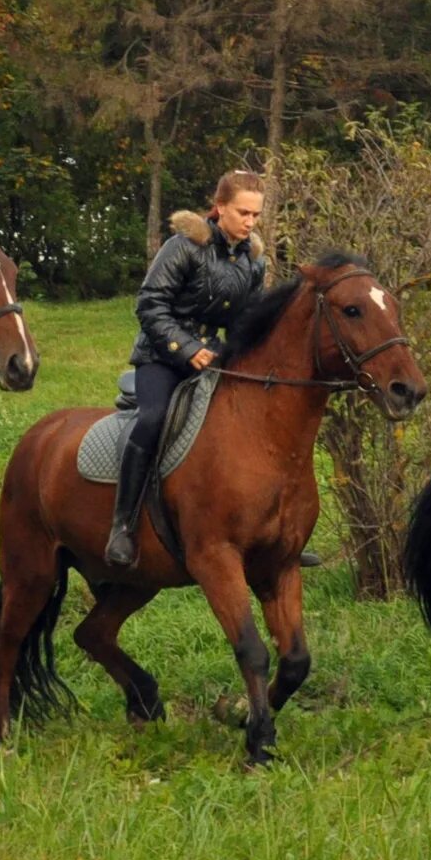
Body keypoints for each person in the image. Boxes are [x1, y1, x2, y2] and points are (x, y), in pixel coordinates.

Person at [110, 171, 270, 569]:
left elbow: (248, 322)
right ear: (219, 208)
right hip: (161, 358)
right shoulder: (182, 247)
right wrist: (188, 349)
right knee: (152, 420)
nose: (250, 222)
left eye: (256, 215)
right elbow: (149, 305)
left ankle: (270, 536)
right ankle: (123, 526)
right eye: (242, 212)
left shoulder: (253, 260)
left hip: (216, 362)